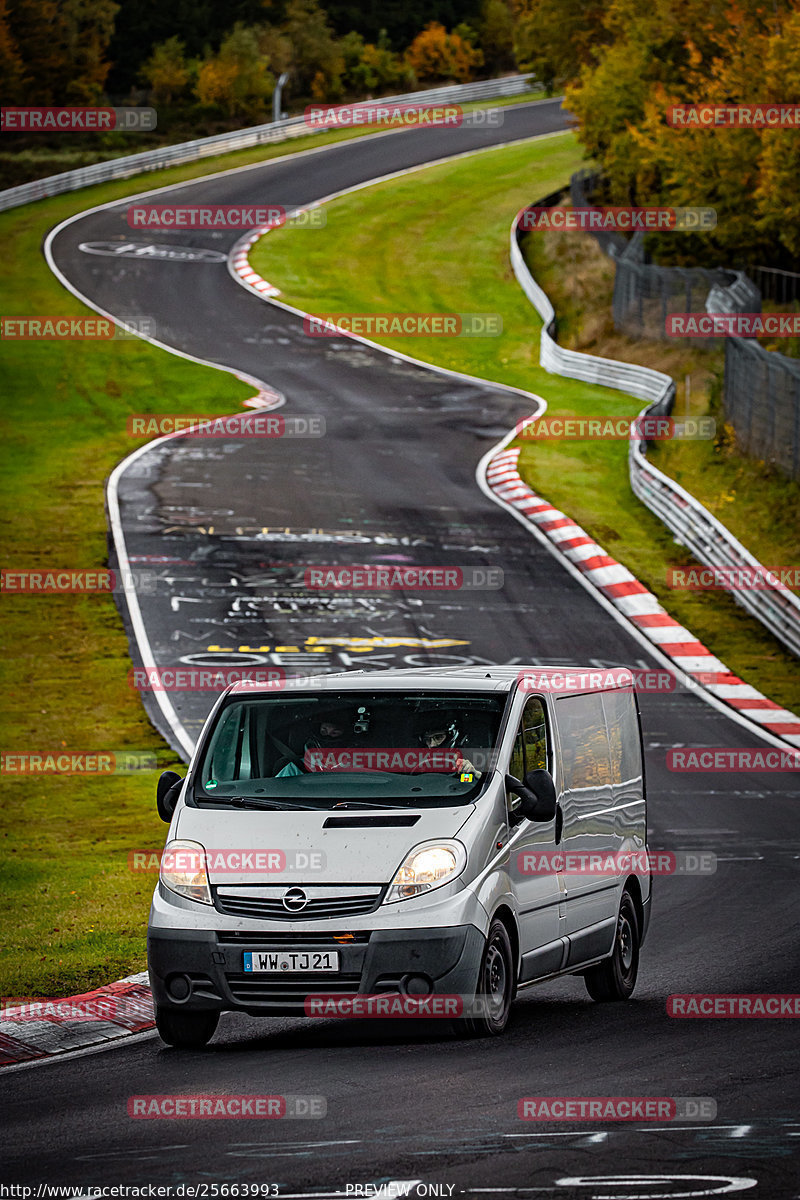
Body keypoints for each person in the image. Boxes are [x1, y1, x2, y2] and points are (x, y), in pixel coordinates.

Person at [274, 706, 353, 777]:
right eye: (324, 731)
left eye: (335, 733)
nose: (328, 737)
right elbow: (275, 791)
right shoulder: (295, 768)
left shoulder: (356, 767)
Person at [414, 711, 482, 779]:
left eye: (438, 737)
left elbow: (468, 783)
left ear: (451, 737)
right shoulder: (417, 760)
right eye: (427, 739)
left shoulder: (469, 759)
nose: (432, 745)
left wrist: (474, 774)